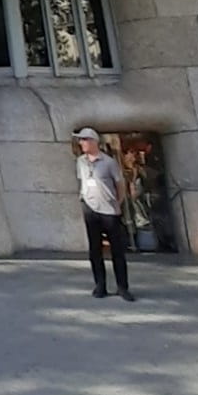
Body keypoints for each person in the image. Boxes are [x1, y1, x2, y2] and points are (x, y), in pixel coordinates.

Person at [75, 128, 134, 301]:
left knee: (117, 250)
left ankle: (122, 287)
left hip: (109, 209)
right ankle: (100, 285)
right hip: (90, 207)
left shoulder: (109, 162)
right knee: (95, 250)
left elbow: (120, 184)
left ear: (94, 141)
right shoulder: (80, 162)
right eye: (80, 140)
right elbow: (82, 180)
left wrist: (118, 202)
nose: (82, 143)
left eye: (85, 140)